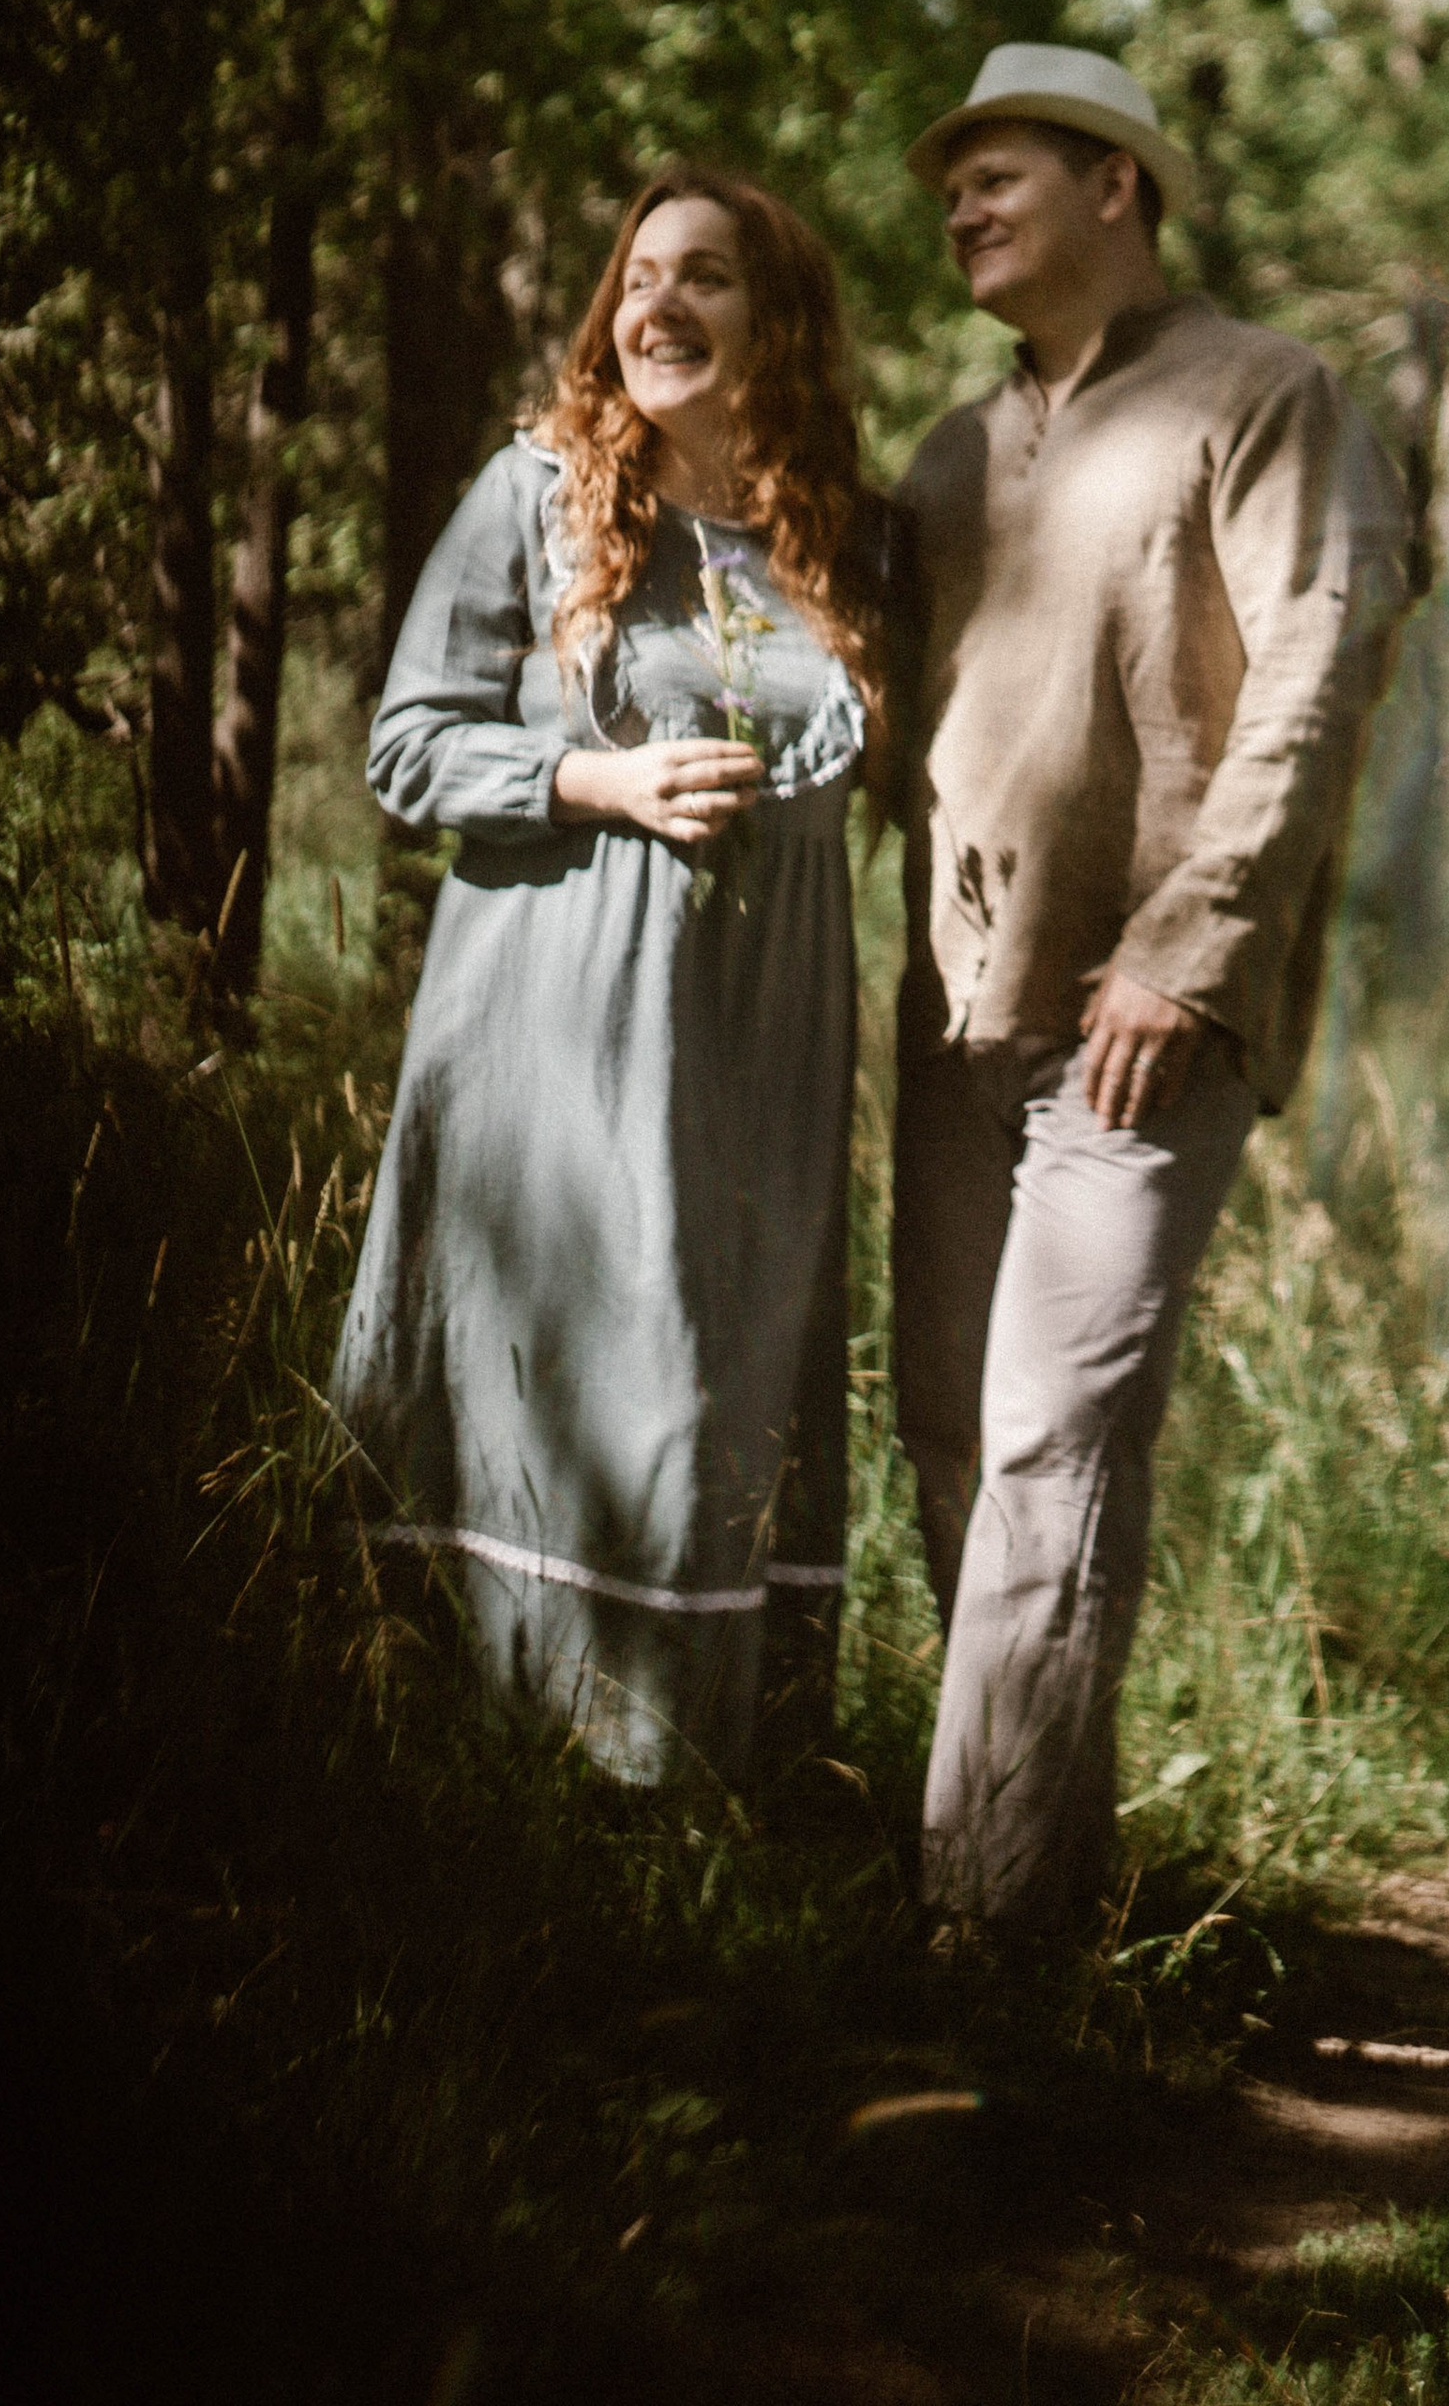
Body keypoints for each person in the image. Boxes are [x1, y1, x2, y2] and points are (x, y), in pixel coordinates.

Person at [892, 45, 1409, 1927]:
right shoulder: (954, 449)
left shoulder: (1265, 393)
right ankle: (1043, 1892)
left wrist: (1189, 957)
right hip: (958, 1009)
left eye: (999, 169)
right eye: (948, 183)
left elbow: (1317, 672)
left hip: (1145, 1027)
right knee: (954, 1441)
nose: (960, 202)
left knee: (1055, 1444)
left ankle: (975, 1948)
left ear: (1121, 185)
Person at [333, 168, 887, 1785]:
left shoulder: (845, 541)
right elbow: (408, 742)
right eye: (639, 276)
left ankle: (712, 1790)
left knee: (719, 1382)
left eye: (706, 278)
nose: (658, 307)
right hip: (553, 1029)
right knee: (578, 1361)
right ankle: (490, 1779)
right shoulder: (541, 495)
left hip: (762, 1049)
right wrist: (594, 782)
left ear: (778, 320)